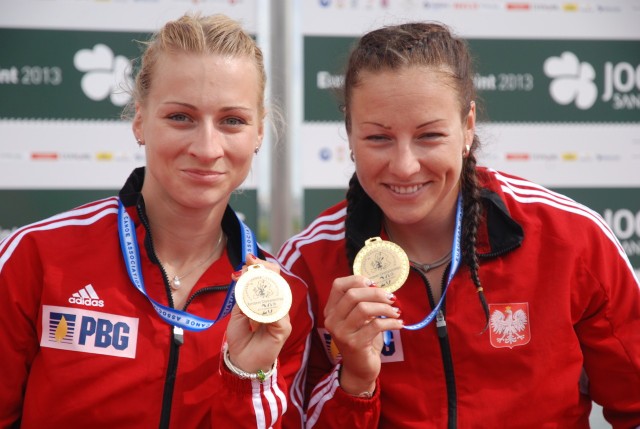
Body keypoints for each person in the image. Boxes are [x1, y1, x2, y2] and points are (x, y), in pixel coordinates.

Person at [277, 21, 640, 428]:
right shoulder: (308, 262)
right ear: (349, 133)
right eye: (378, 138)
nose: (404, 165)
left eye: (429, 136)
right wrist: (355, 381)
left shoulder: (570, 239)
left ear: (467, 126)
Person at [0, 13, 310, 429]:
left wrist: (245, 379)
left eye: (232, 121)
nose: (206, 147)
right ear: (140, 120)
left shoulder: (280, 300)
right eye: (181, 117)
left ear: (257, 134)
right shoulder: (37, 256)